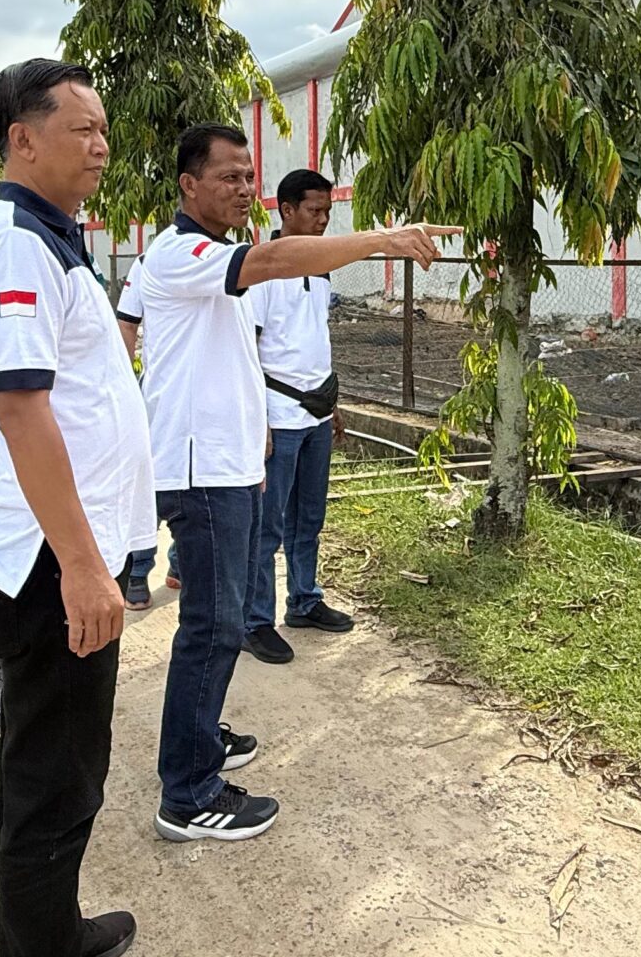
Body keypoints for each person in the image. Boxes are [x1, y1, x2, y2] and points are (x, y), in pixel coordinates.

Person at [124, 123, 448, 844]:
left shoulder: (218, 257)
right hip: (200, 470)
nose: (245, 188)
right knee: (213, 624)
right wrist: (384, 240)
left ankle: (199, 737)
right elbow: (271, 259)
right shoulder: (182, 253)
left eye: (249, 176)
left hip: (231, 462)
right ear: (188, 185)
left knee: (220, 617)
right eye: (229, 177)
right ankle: (188, 795)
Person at [0, 58, 171, 957]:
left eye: (104, 130)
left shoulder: (50, 241)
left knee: (52, 767)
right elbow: (19, 405)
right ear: (21, 137)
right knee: (53, 778)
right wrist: (85, 567)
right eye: (81, 128)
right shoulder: (14, 245)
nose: (100, 145)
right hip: (46, 559)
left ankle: (46, 939)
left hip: (63, 550)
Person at [243, 169, 349, 663]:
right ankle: (255, 620)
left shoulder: (320, 270)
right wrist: (259, 419)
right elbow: (247, 348)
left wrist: (332, 405)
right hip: (279, 415)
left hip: (316, 414)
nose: (323, 220)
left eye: (328, 211)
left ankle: (304, 600)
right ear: (286, 211)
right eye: (314, 211)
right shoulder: (263, 271)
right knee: (268, 525)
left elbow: (314, 340)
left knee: (310, 517)